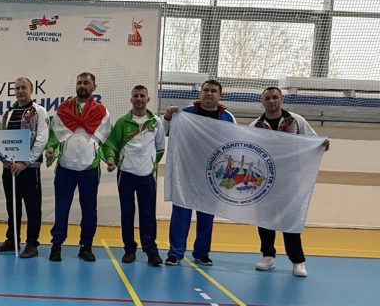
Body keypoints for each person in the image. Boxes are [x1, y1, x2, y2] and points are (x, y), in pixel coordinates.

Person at [251, 86, 330, 278]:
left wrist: (322, 144)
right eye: (267, 98)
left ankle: (297, 260)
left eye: (275, 97)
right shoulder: (256, 125)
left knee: (290, 220)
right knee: (265, 219)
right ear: (262, 102)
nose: (271, 101)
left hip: (290, 179)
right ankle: (268, 256)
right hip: (265, 180)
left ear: (281, 99)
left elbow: (312, 140)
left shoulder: (296, 120)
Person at [163, 79, 236, 266]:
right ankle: (175, 253)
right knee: (180, 215)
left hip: (212, 175)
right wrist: (168, 116)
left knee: (206, 217)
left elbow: (234, 144)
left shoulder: (227, 117)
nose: (209, 93)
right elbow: (166, 131)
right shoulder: (185, 113)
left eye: (213, 91)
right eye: (206, 90)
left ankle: (202, 253)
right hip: (186, 173)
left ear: (220, 95)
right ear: (200, 93)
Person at [46, 72, 112, 262]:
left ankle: (86, 246)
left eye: (86, 83)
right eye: (79, 83)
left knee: (89, 210)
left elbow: (106, 140)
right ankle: (57, 244)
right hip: (65, 168)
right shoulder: (63, 109)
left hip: (90, 169)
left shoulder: (102, 112)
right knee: (61, 208)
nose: (82, 85)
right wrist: (50, 149)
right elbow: (54, 134)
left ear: (94, 87)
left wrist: (109, 158)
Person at [103, 85, 165, 266]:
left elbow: (160, 148)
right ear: (131, 99)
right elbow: (111, 145)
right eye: (136, 96)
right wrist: (111, 160)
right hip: (126, 175)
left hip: (147, 176)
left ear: (148, 99)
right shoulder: (122, 123)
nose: (139, 99)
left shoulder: (156, 122)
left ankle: (151, 250)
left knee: (148, 214)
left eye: (142, 96)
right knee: (127, 213)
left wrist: (150, 164)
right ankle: (129, 249)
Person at [0, 77, 49, 259]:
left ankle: (32, 243)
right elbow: (0, 136)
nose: (20, 91)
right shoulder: (7, 113)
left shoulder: (39, 112)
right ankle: (12, 239)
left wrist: (25, 162)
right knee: (12, 205)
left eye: (23, 88)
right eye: (17, 88)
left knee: (33, 207)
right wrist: (3, 158)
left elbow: (41, 139)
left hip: (29, 169)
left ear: (31, 89)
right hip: (10, 168)